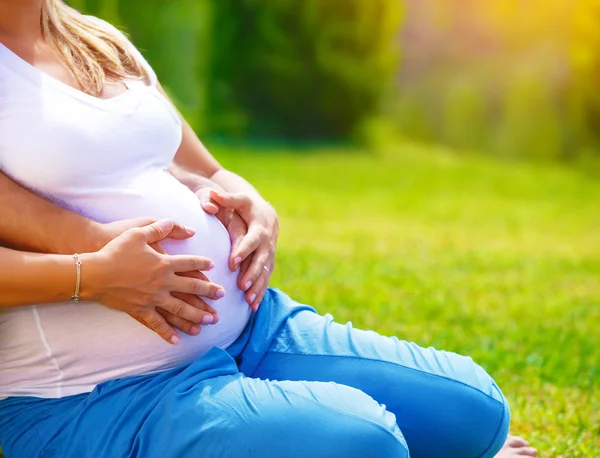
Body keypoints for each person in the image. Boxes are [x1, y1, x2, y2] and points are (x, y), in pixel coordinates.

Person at [0, 1, 537, 456]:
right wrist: (90, 276)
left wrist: (250, 200)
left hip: (251, 333)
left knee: (477, 412)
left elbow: (200, 167)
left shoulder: (92, 37)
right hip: (96, 396)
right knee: (367, 442)